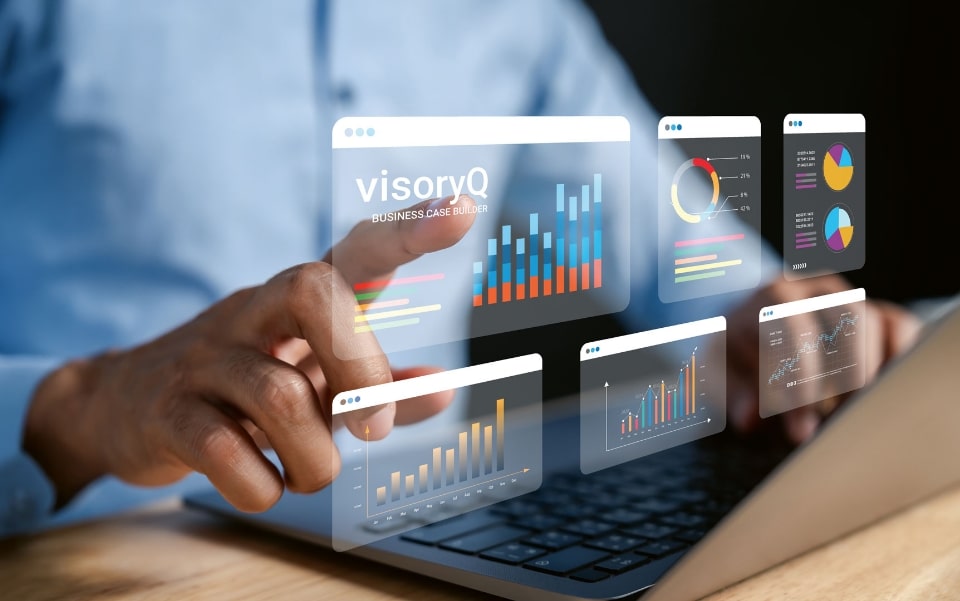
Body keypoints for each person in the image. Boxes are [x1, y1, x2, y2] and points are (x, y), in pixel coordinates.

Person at [0, 0, 921, 538]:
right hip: (98, 552)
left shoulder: (519, 18)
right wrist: (86, 403)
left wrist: (772, 318)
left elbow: (680, 254)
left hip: (436, 544)